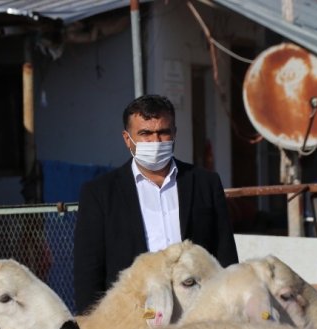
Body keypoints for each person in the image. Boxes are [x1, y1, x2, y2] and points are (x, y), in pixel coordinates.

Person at [73, 94, 238, 314]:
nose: (155, 141)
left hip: (196, 313)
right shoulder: (100, 193)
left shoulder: (204, 183)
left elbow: (225, 255)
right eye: (145, 133)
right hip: (132, 316)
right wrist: (93, 326)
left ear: (174, 133)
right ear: (127, 138)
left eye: (163, 132)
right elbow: (88, 270)